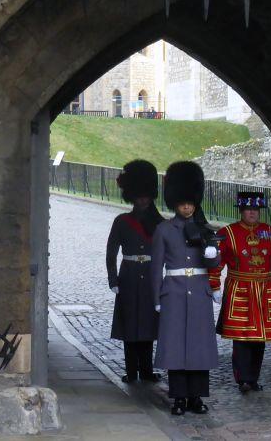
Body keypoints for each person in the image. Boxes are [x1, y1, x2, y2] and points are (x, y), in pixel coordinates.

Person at [151, 161, 221, 415]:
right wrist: (157, 296)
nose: (187, 207)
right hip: (175, 293)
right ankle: (179, 396)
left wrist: (212, 251)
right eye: (183, 203)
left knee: (199, 348)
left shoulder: (204, 229)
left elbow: (214, 263)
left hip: (199, 292)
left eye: (191, 203)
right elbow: (156, 266)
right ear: (175, 203)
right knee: (176, 347)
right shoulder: (164, 230)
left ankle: (197, 397)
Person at [209, 191, 271, 393]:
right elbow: (218, 263)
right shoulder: (228, 233)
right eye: (248, 209)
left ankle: (253, 378)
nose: (252, 213)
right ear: (241, 211)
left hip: (263, 289)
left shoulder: (270, 232)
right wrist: (215, 286)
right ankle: (243, 379)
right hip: (240, 288)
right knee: (241, 337)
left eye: (256, 209)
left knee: (260, 338)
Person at [106, 160, 163, 383]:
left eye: (145, 196)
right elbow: (111, 253)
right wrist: (113, 279)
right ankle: (131, 371)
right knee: (130, 326)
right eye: (139, 196)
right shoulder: (122, 221)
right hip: (128, 277)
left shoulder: (158, 223)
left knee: (148, 326)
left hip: (150, 277)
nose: (142, 200)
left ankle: (147, 371)